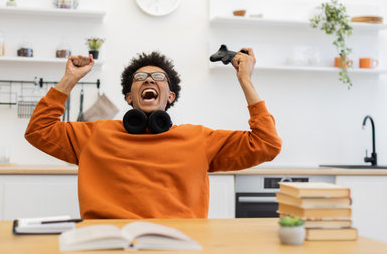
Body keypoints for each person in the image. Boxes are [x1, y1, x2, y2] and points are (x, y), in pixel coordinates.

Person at [25, 49, 282, 219]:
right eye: (140, 78)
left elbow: (267, 144)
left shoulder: (199, 139)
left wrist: (245, 80)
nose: (149, 80)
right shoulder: (95, 134)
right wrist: (69, 79)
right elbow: (38, 130)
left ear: (170, 96)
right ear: (129, 97)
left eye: (158, 77)